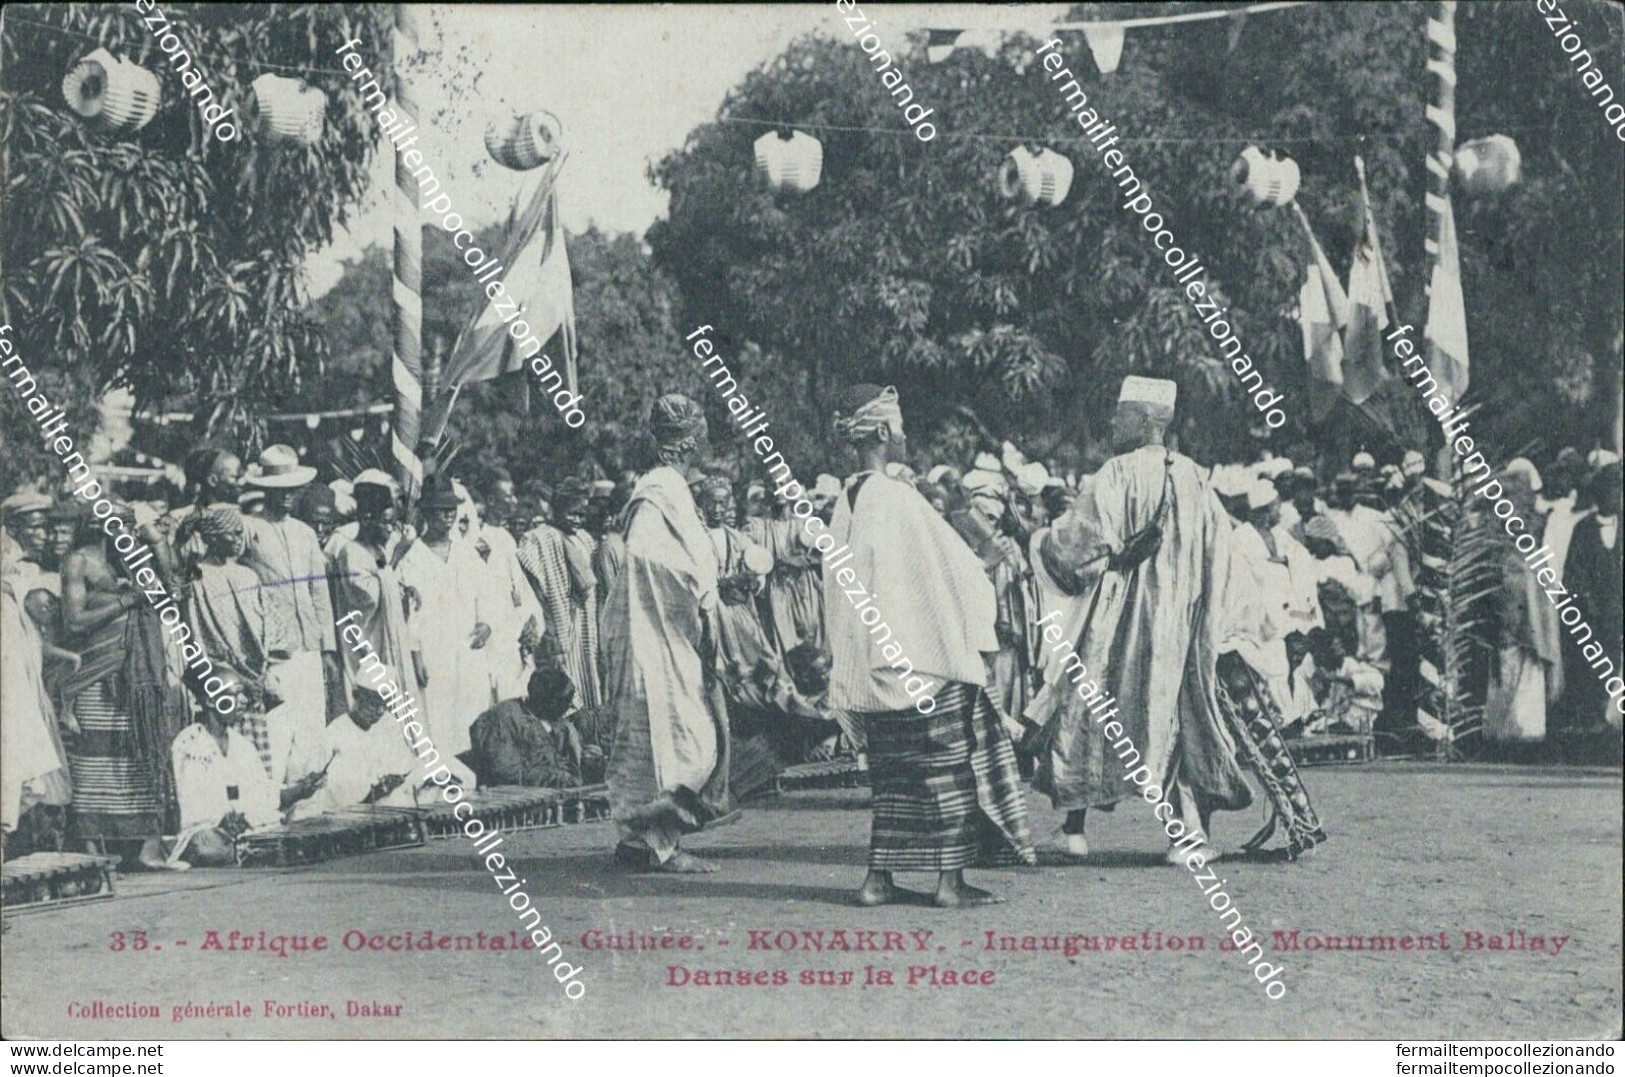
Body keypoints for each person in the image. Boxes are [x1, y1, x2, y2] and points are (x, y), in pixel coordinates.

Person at [1026, 376, 1253, 863]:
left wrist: (1040, 540)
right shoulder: (1195, 477)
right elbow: (1224, 553)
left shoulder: (1116, 474)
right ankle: (1185, 837)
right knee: (1174, 717)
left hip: (1117, 618)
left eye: (1121, 414)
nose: (1112, 422)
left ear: (1147, 420)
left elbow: (1076, 546)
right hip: (1181, 625)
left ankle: (1074, 830)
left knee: (1090, 708)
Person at [826, 384, 1034, 907]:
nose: (904, 436)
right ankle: (949, 882)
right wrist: (983, 571)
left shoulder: (845, 503)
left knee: (893, 779)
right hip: (920, 662)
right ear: (879, 432)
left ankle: (879, 880)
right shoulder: (895, 497)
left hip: (874, 668)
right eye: (897, 427)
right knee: (950, 769)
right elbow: (950, 573)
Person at [603, 393, 733, 874]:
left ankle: (651, 840)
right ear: (688, 441)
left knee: (686, 737)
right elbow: (645, 555)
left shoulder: (672, 487)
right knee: (676, 741)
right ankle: (653, 844)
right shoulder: (658, 489)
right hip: (652, 632)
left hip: (671, 634)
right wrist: (697, 592)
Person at [58, 502, 191, 869]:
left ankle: (146, 849)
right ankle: (92, 851)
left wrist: (156, 542)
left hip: (138, 679)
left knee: (143, 754)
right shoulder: (78, 562)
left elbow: (169, 588)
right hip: (98, 673)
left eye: (133, 527)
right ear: (101, 527)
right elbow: (74, 622)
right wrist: (126, 600)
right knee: (93, 760)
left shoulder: (132, 561)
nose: (130, 533)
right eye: (124, 526)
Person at [241, 445, 340, 785]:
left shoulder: (305, 533)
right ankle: (273, 805)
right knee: (277, 730)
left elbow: (319, 593)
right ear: (266, 490)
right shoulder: (249, 530)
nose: (286, 497)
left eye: (291, 489)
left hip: (308, 648)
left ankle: (307, 808)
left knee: (311, 730)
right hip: (274, 651)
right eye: (278, 490)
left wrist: (327, 649)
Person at [329, 471, 427, 780]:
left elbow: (389, 589)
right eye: (385, 522)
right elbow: (365, 600)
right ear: (367, 518)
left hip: (391, 642)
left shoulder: (381, 551)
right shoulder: (352, 553)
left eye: (392, 522)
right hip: (366, 645)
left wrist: (403, 593)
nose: (390, 529)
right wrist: (393, 564)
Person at [397, 475, 492, 787]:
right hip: (433, 651)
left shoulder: (467, 553)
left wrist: (485, 623)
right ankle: (445, 781)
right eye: (440, 511)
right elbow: (409, 613)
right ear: (426, 514)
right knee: (438, 715)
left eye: (451, 511)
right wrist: (416, 655)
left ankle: (476, 778)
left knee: (472, 712)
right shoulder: (412, 558)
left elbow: (486, 596)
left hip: (467, 649)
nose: (448, 517)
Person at [170, 678, 325, 866]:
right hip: (208, 833)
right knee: (207, 846)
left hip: (243, 830)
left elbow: (264, 797)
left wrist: (301, 790)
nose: (243, 700)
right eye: (235, 694)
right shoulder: (188, 742)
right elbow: (188, 805)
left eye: (243, 694)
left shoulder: (244, 746)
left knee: (284, 830)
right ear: (210, 700)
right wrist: (222, 822)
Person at [186, 506, 289, 778]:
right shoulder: (197, 577)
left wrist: (258, 672)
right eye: (231, 533)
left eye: (239, 532)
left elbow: (265, 628)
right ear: (214, 536)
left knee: (254, 761)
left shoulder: (248, 575)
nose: (237, 538)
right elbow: (198, 631)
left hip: (254, 678)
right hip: (222, 679)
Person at [1483, 464, 1563, 751]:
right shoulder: (1495, 528)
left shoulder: (1538, 525)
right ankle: (1504, 736)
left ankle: (1525, 737)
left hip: (1529, 609)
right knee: (1505, 672)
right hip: (1505, 606)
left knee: (1528, 673)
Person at [518, 478, 603, 710]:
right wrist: (548, 628)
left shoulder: (585, 539)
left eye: (582, 515)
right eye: (572, 513)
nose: (577, 519)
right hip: (555, 624)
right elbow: (533, 587)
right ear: (557, 509)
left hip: (584, 625)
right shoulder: (539, 539)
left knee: (588, 681)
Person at [469, 469, 543, 704]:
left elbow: (519, 590)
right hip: (489, 640)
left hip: (512, 638)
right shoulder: (472, 540)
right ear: (491, 500)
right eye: (508, 496)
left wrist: (531, 619)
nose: (514, 502)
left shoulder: (505, 538)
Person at [1559, 462, 1622, 733]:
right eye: (1611, 490)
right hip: (1593, 613)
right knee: (1592, 664)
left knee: (1616, 660)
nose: (1616, 496)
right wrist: (1588, 601)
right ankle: (1591, 713)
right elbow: (1573, 571)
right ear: (1599, 494)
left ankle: (1609, 714)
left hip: (1618, 610)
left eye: (1620, 490)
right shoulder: (1583, 529)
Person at [464, 667, 585, 788]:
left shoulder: (550, 719)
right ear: (549, 702)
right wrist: (556, 778)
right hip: (511, 797)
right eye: (565, 703)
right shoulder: (502, 719)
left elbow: (558, 761)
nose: (570, 707)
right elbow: (506, 773)